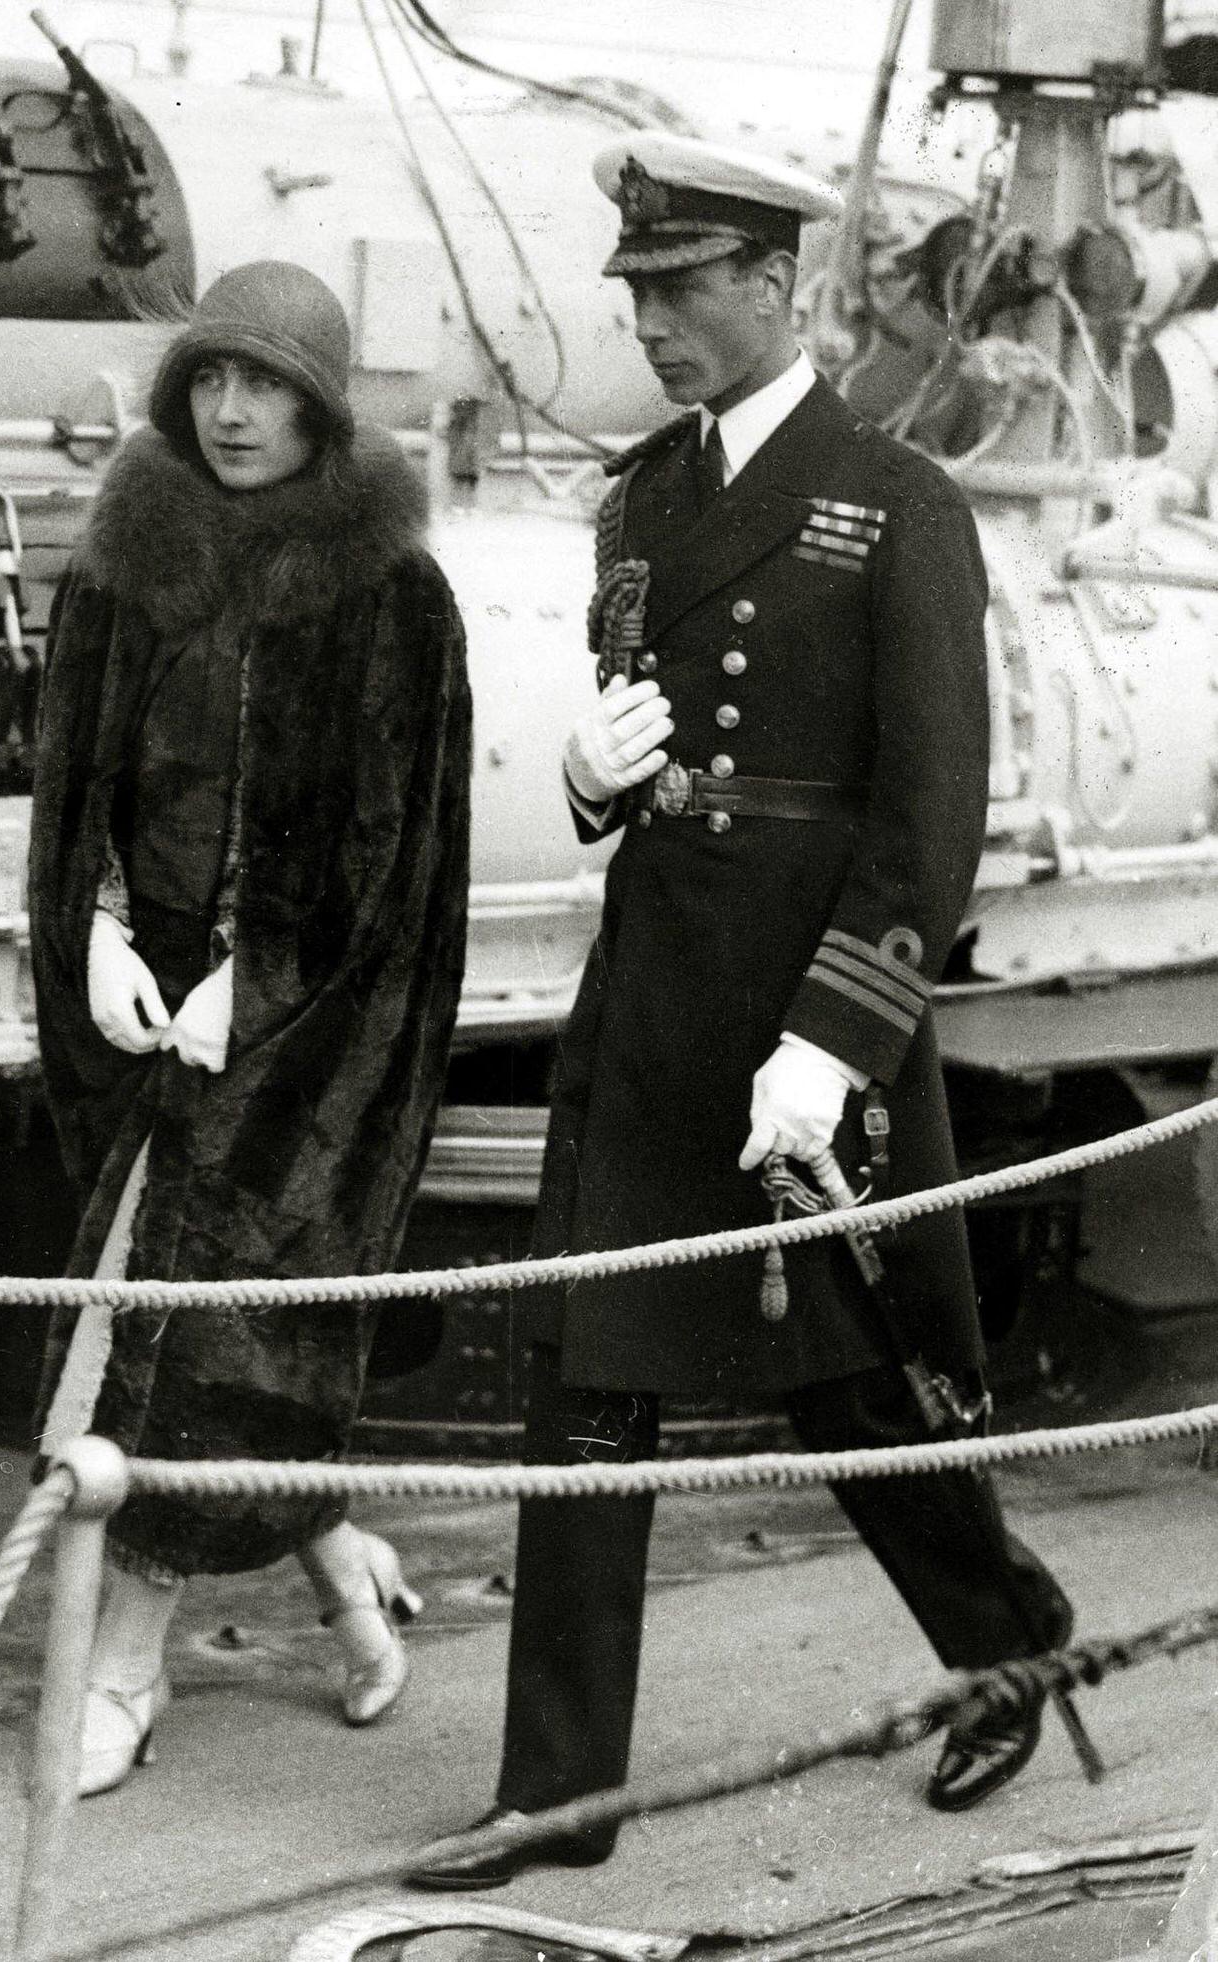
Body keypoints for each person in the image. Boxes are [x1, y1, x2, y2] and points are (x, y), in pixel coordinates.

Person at [411, 134, 1079, 1891]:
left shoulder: (898, 502)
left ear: (774, 287)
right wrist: (585, 777)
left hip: (805, 1018)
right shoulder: (638, 504)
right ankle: (557, 1795)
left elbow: (932, 816)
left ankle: (1010, 1640)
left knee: (856, 1384)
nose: (649, 323)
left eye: (681, 289)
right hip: (654, 1004)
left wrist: (836, 1038)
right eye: (635, 291)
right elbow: (651, 733)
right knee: (584, 1391)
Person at [28, 260, 472, 1796]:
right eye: (214, 377)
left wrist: (260, 980)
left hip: (304, 1046)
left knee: (174, 1349)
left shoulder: (393, 597)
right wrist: (87, 926)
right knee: (181, 1346)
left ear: (323, 410)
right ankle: (348, 1574)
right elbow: (73, 777)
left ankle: (126, 1671)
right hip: (141, 1019)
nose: (232, 411)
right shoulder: (120, 566)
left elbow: (399, 852)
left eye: (270, 385)